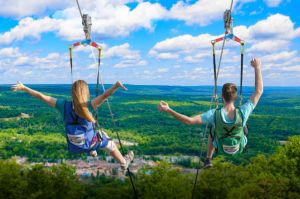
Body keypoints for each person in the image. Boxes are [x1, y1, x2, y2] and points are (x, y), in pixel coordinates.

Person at [158, 58, 263, 168]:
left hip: (221, 147)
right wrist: (257, 67)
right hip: (239, 147)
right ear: (235, 97)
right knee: (244, 126)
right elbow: (258, 91)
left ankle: (208, 158)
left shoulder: (214, 114)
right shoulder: (243, 112)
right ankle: (240, 145)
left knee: (212, 129)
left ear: (222, 96)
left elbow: (189, 121)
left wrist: (168, 109)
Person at [11, 80, 134, 171]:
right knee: (107, 140)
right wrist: (116, 85)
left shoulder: (63, 105)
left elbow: (41, 96)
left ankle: (92, 151)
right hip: (88, 142)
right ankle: (124, 163)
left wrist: (24, 88)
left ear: (72, 92)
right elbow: (105, 95)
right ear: (86, 93)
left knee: (95, 136)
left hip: (74, 145)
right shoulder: (89, 105)